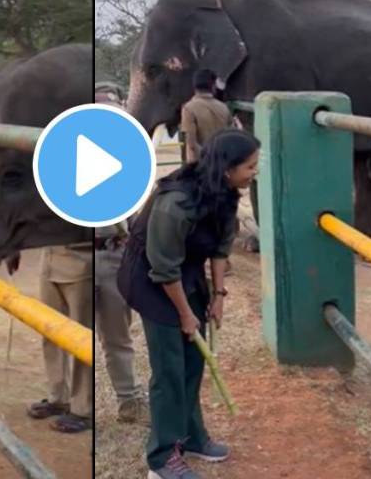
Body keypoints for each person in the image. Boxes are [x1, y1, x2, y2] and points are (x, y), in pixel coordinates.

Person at [118, 129, 260, 479]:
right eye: (250, 166)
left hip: (187, 272)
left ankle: (192, 436)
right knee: (170, 369)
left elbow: (220, 248)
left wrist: (219, 296)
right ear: (227, 168)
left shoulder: (226, 194)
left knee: (194, 359)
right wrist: (185, 314)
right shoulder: (177, 202)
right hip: (152, 279)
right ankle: (162, 457)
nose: (254, 172)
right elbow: (163, 268)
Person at [93, 89, 148, 425]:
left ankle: (129, 401)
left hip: (115, 252)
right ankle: (68, 402)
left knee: (118, 337)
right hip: (76, 255)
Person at [27, 242, 94, 434]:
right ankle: (58, 398)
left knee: (81, 341)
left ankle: (83, 409)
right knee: (50, 333)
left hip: (81, 266)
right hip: (49, 261)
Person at [180, 69, 232, 165]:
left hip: (200, 165)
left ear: (194, 87)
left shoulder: (189, 108)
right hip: (222, 163)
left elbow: (191, 143)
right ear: (213, 86)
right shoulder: (224, 107)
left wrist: (207, 156)